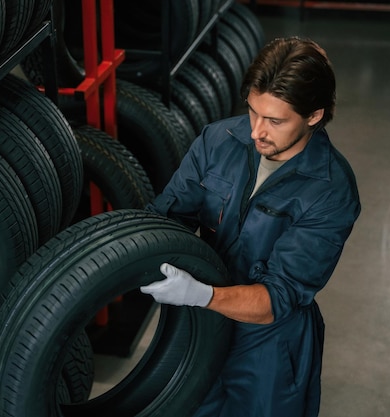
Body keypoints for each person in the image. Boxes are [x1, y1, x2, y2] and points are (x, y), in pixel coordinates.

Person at [140, 36, 361, 417]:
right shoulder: (217, 141)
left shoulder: (331, 190)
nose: (257, 130)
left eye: (275, 120)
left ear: (313, 116)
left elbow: (279, 297)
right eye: (253, 111)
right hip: (201, 329)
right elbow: (168, 218)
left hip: (269, 345)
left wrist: (201, 295)